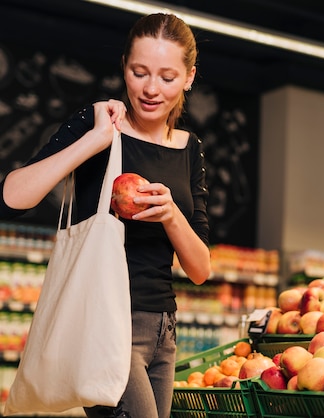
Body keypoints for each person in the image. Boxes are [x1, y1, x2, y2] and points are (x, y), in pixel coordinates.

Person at [0, 13, 211, 418]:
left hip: (164, 330)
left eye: (167, 77)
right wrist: (95, 140)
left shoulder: (190, 148)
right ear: (124, 67)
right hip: (103, 320)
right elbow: (13, 196)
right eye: (139, 72)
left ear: (188, 77)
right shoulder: (97, 123)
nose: (151, 89)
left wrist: (170, 214)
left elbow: (200, 269)